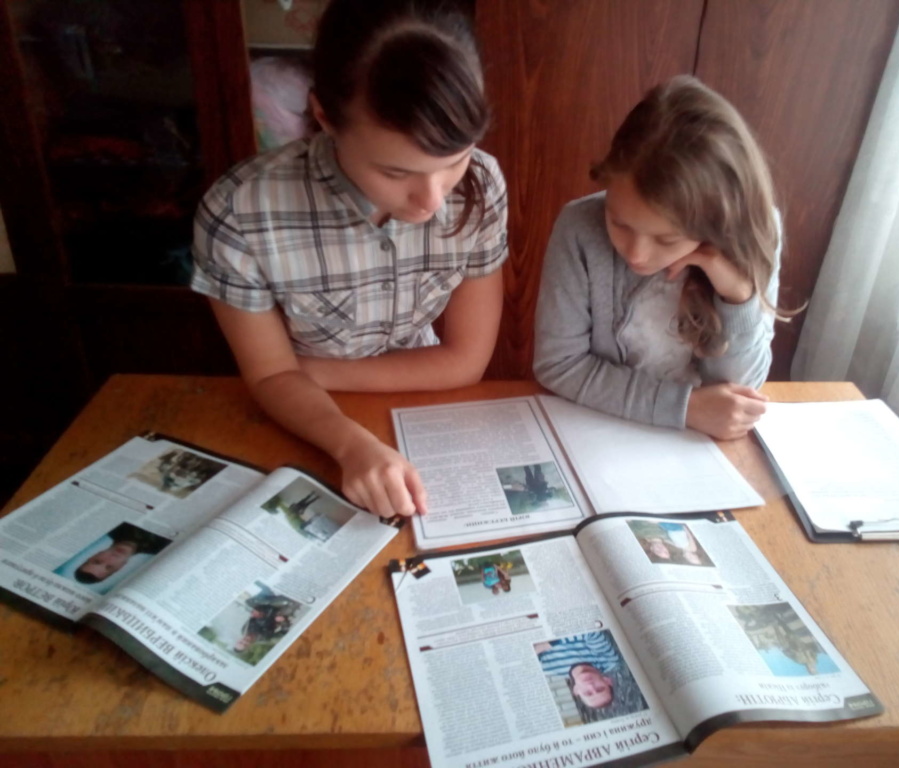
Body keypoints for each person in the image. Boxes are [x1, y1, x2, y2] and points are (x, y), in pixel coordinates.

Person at [191, 0, 508, 520]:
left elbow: (466, 361)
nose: (431, 201)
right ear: (324, 117)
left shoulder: (483, 184)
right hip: (302, 423)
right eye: (394, 172)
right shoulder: (242, 211)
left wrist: (299, 372)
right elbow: (269, 380)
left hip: (410, 409)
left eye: (454, 161)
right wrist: (349, 443)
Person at [534, 75, 791, 441]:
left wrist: (737, 295)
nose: (636, 253)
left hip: (695, 445)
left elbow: (741, 390)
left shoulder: (757, 232)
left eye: (667, 239)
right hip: (599, 431)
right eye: (618, 222)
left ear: (715, 224)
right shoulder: (579, 228)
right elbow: (559, 364)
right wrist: (684, 408)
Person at [535, 632, 621, 709]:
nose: (590, 686)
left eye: (587, 693)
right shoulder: (608, 661)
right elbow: (588, 632)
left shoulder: (548, 669)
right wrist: (543, 646)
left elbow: (528, 655)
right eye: (600, 688)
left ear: (576, 690)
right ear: (607, 681)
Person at [73, 523, 170, 584]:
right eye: (109, 567)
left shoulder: (113, 526)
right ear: (120, 568)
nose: (112, 558)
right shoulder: (162, 548)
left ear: (95, 555)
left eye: (98, 561)